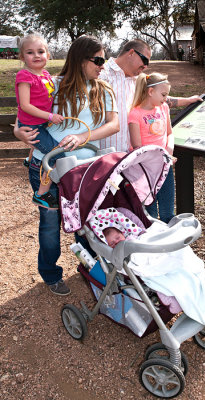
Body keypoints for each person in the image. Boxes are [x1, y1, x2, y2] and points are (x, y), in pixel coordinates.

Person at [14, 35, 119, 295]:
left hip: (85, 172)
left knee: (88, 223)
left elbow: (113, 124)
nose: (102, 65)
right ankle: (50, 275)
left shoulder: (103, 89)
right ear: (79, 59)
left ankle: (91, 270)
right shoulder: (53, 84)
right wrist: (19, 133)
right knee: (50, 224)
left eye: (103, 60)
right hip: (47, 169)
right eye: (97, 60)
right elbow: (23, 117)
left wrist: (84, 137)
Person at [99, 39, 202, 153]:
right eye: (145, 60)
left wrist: (188, 100)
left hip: (134, 159)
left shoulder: (139, 80)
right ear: (131, 53)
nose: (146, 66)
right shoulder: (101, 75)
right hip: (107, 156)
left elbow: (158, 98)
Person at [16, 34, 65, 209]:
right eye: (30, 52)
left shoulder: (45, 74)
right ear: (22, 57)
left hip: (41, 123)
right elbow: (25, 105)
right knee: (55, 153)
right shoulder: (24, 76)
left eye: (40, 51)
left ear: (48, 55)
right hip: (32, 125)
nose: (36, 55)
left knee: (43, 146)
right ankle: (41, 194)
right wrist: (50, 116)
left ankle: (30, 161)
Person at [128, 72, 176, 223]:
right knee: (151, 213)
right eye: (163, 94)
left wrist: (169, 151)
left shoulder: (164, 108)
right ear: (150, 92)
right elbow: (137, 146)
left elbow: (169, 133)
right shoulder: (135, 114)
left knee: (168, 209)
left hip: (165, 165)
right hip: (145, 170)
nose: (166, 98)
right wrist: (159, 158)